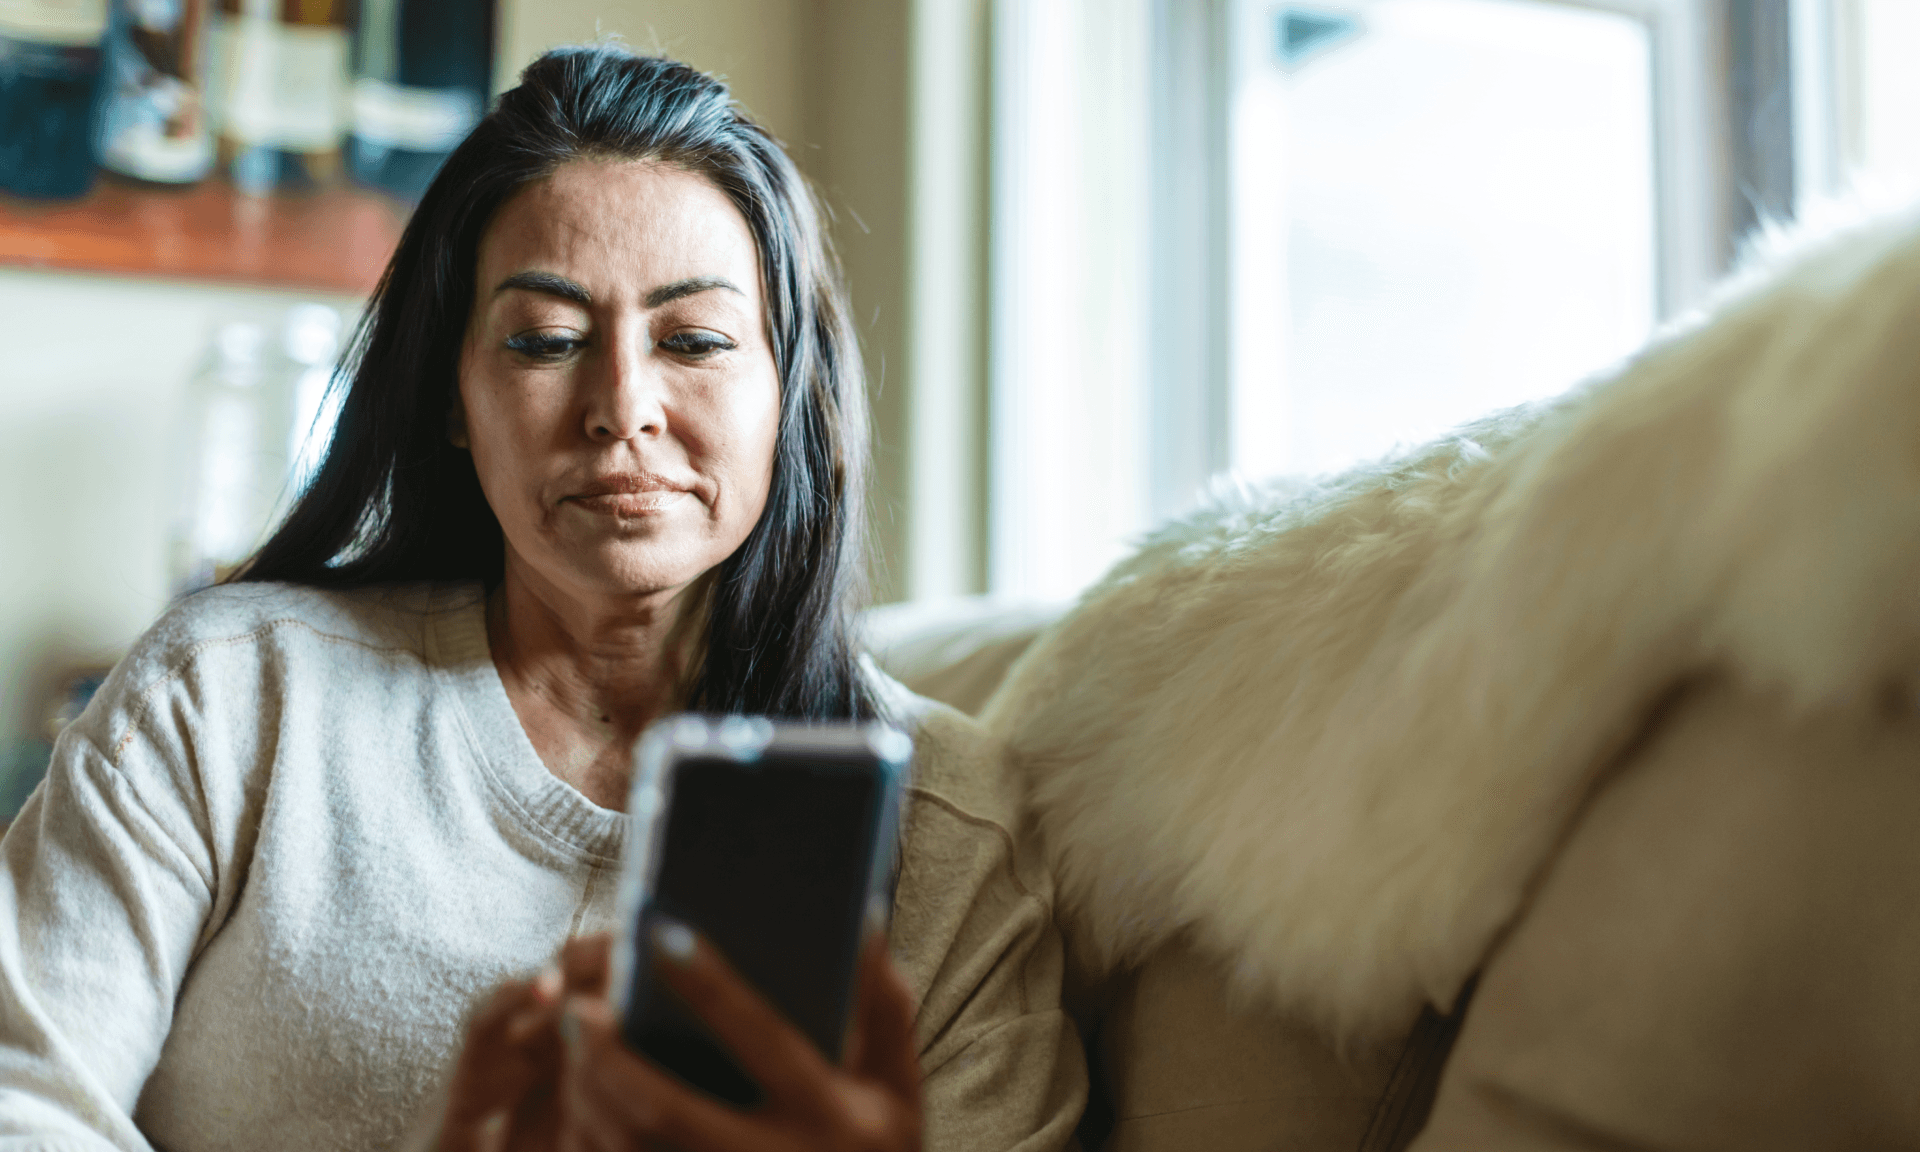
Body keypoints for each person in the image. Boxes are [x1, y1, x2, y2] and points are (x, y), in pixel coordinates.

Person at [0, 46, 1085, 1151]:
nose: (622, 407)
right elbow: (24, 1098)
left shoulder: (948, 833)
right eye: (548, 341)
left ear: (788, 397)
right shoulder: (230, 697)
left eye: (696, 341)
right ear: (456, 396)